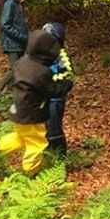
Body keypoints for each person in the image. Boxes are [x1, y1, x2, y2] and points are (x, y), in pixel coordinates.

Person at [0, 29, 73, 176]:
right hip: (32, 115)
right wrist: (66, 85)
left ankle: (0, 150)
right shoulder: (41, 71)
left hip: (17, 110)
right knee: (37, 143)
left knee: (20, 137)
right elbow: (52, 89)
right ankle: (31, 172)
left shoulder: (22, 62)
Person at [41, 22, 74, 155]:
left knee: (54, 127)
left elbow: (68, 75)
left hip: (56, 99)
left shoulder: (62, 57)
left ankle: (61, 155)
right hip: (44, 98)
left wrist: (50, 82)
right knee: (46, 126)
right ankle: (49, 151)